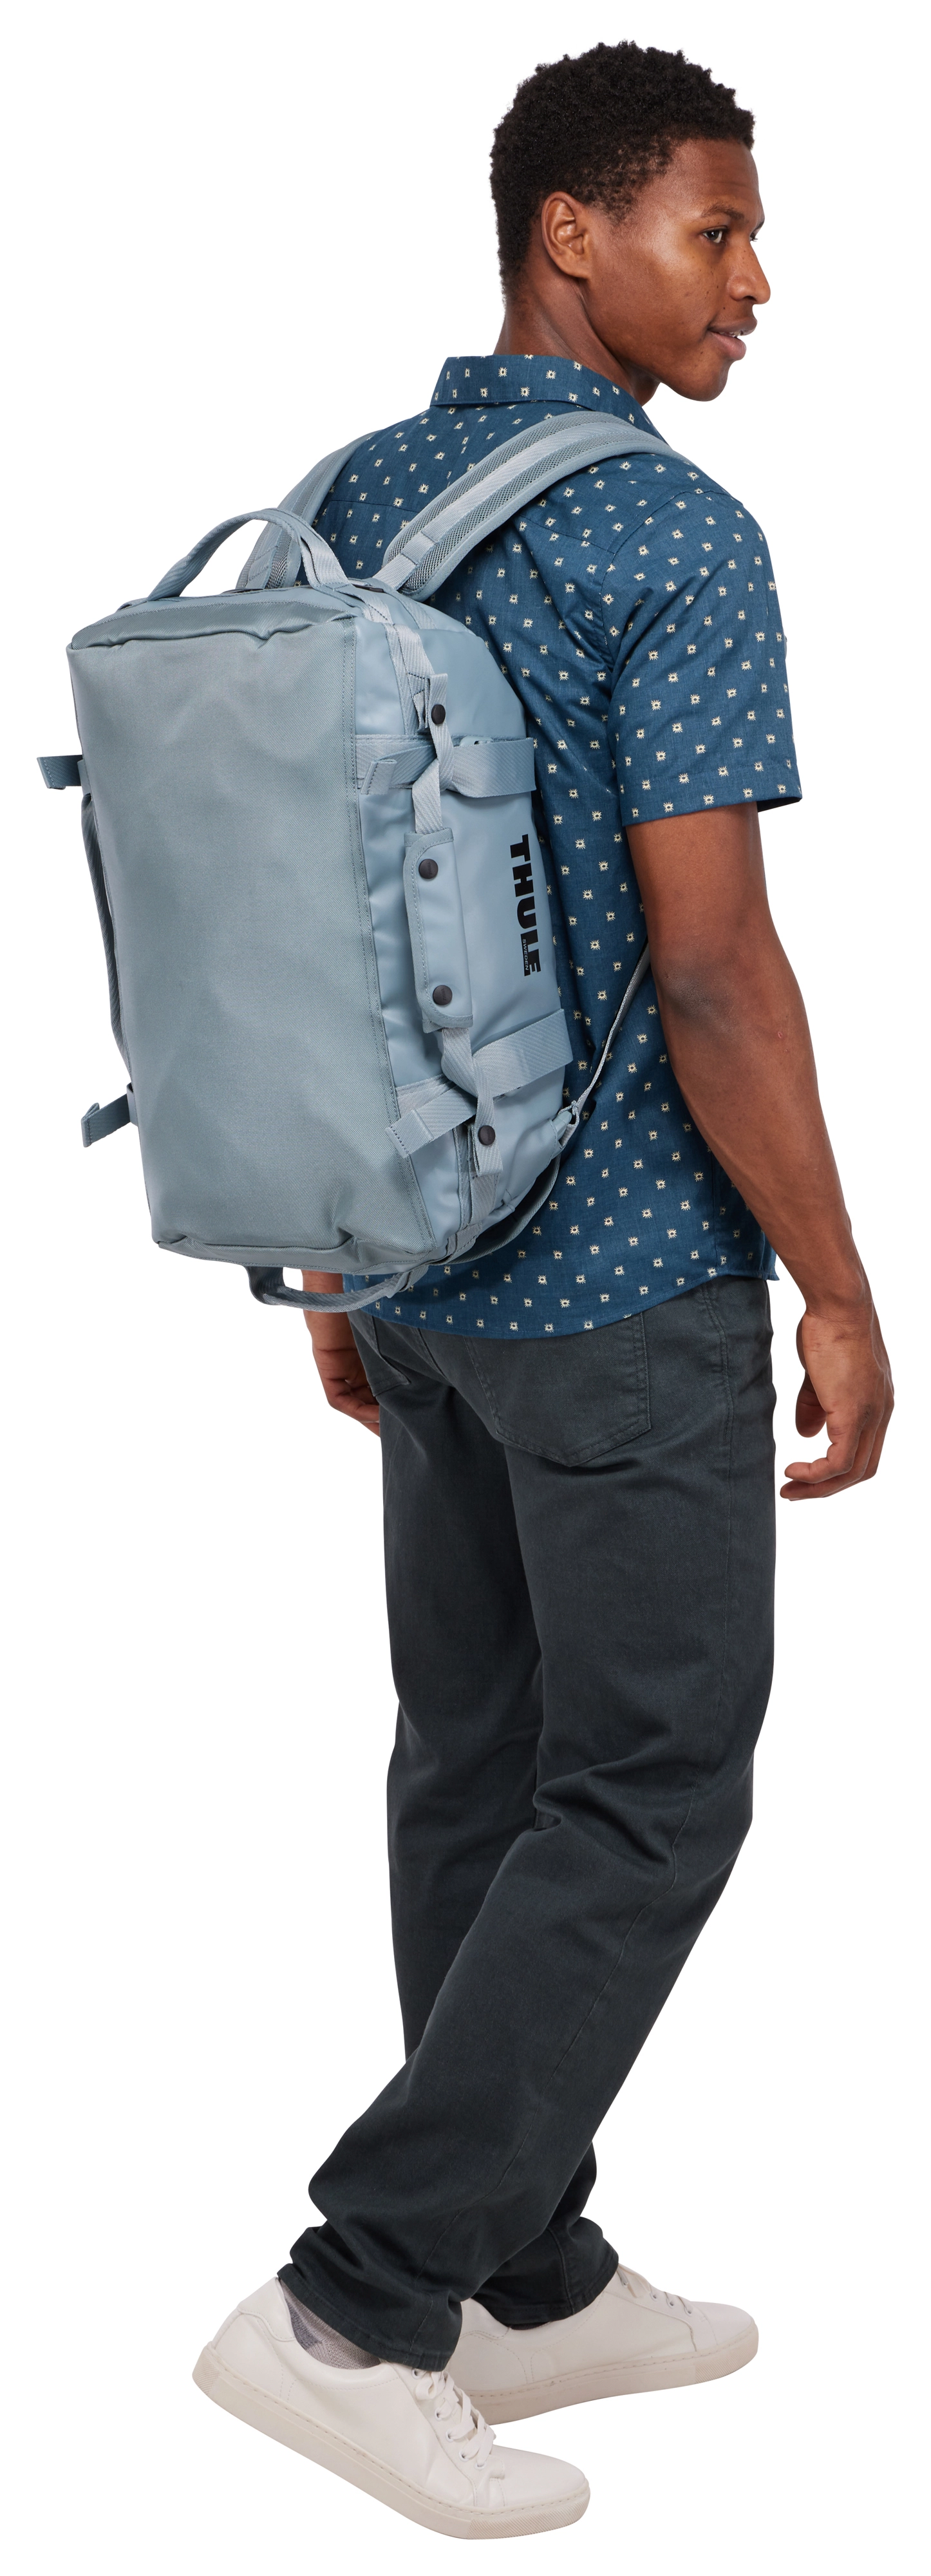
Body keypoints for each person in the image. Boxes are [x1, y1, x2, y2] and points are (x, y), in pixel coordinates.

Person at [194, 39, 892, 2540]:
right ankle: (357, 2300)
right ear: (570, 237)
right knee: (651, 1785)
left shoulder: (348, 498)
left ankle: (524, 2262)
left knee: (478, 1768)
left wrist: (329, 1244)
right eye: (717, 227)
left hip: (418, 1261)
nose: (754, 278)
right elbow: (713, 969)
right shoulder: (671, 538)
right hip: (616, 1290)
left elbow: (289, 903)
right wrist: (836, 1284)